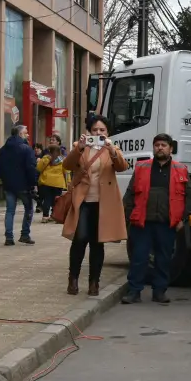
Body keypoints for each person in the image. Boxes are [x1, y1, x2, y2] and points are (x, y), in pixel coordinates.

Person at [62, 115, 129, 296]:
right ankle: (73, 279)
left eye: (102, 130)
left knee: (97, 243)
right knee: (80, 239)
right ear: (88, 132)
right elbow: (67, 165)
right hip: (83, 201)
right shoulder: (80, 147)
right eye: (94, 130)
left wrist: (112, 151)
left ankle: (94, 283)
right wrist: (79, 148)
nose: (98, 133)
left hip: (104, 203)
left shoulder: (112, 148)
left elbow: (123, 167)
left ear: (108, 132)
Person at [122, 133, 191, 305]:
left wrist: (182, 218)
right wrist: (128, 217)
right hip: (142, 223)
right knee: (139, 258)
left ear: (171, 149)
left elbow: (187, 197)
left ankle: (159, 291)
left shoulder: (181, 169)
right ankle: (134, 291)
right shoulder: (141, 167)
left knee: (163, 259)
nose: (160, 148)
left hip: (167, 223)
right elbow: (130, 194)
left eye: (164, 145)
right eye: (157, 145)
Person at [0, 125, 38, 245]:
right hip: (23, 185)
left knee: (10, 210)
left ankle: (9, 237)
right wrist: (33, 184)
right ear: (20, 134)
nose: (28, 134)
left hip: (9, 185)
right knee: (29, 208)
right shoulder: (26, 149)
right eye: (26, 132)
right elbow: (31, 168)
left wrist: (5, 179)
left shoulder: (3, 149)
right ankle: (25, 234)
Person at [37, 145, 68, 223]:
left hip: (46, 181)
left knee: (47, 199)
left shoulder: (46, 158)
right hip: (58, 182)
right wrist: (68, 182)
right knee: (56, 200)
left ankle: (45, 216)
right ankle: (54, 216)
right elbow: (66, 171)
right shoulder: (62, 159)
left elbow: (38, 168)